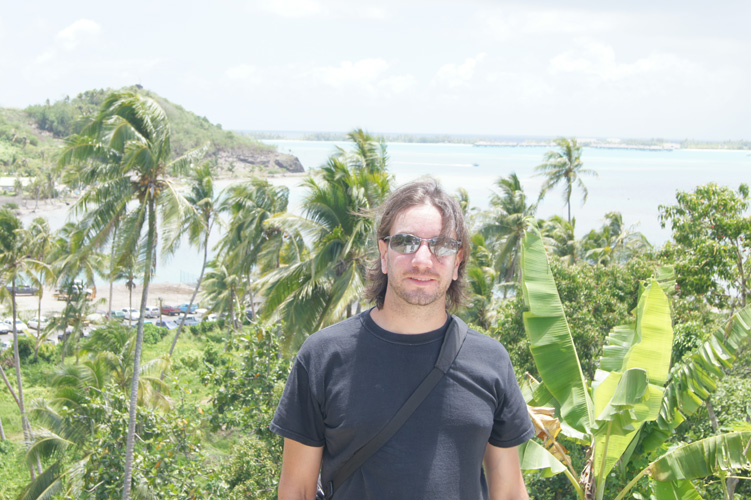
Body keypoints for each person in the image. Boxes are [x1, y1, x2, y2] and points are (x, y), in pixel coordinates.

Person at [270, 178, 535, 500]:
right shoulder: (324, 356)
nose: (423, 260)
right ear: (384, 254)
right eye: (406, 242)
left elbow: (508, 491)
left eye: (441, 246)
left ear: (458, 262)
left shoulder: (490, 360)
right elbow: (296, 490)